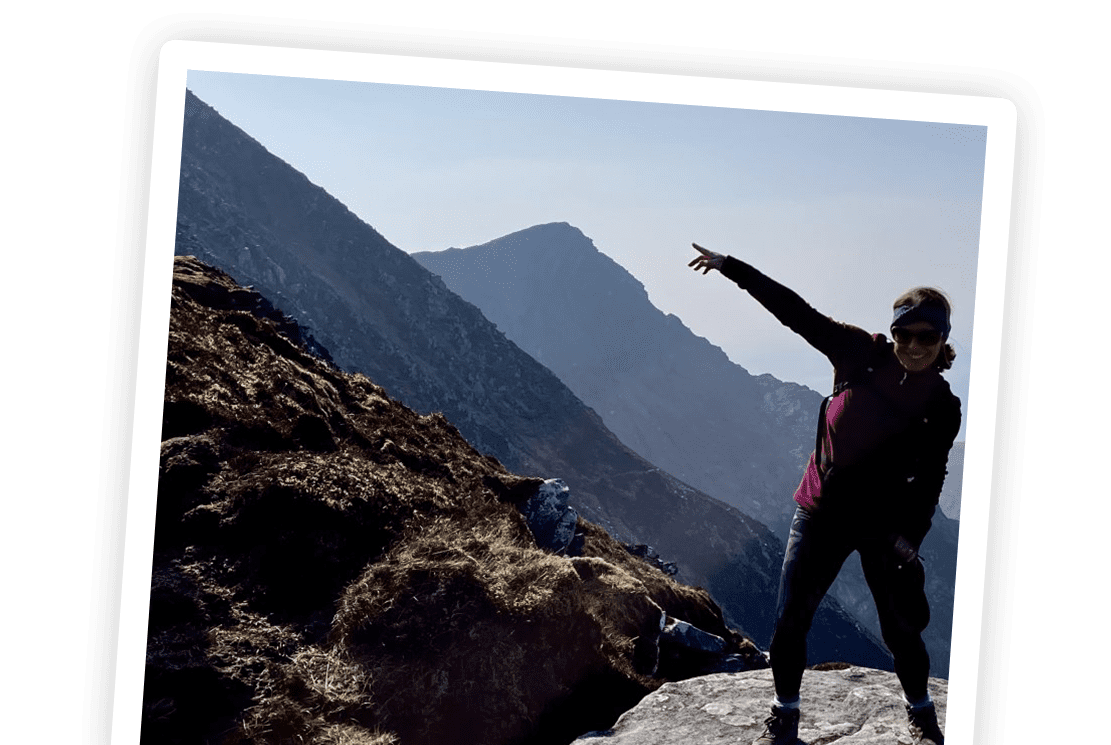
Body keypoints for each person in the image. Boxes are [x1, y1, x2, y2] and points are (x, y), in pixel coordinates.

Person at [687, 244, 959, 745]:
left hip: (884, 525)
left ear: (943, 341)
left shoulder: (942, 406)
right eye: (905, 334)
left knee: (901, 631)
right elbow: (795, 312)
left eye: (927, 337)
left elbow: (932, 478)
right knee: (792, 619)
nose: (914, 346)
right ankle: (784, 716)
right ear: (892, 330)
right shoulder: (856, 351)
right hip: (821, 512)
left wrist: (912, 537)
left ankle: (921, 718)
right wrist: (732, 267)